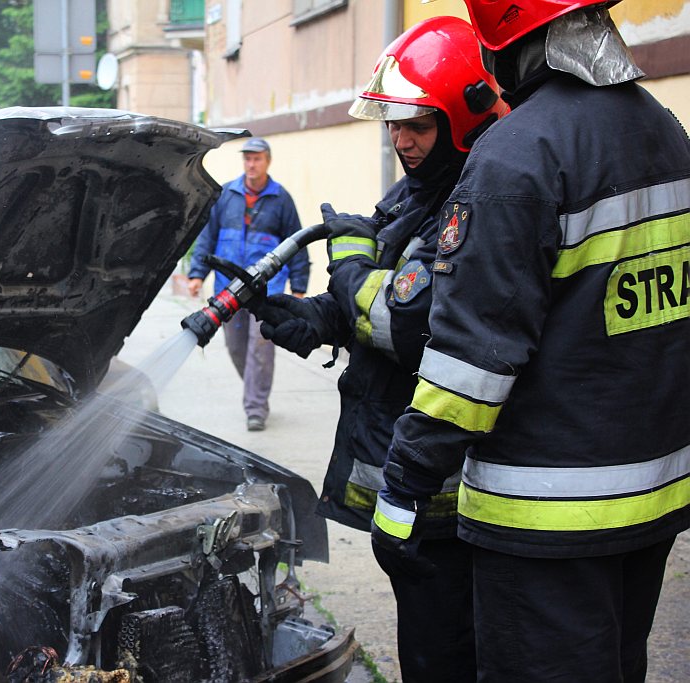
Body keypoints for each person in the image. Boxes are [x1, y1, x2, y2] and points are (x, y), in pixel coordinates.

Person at [368, 2, 690, 681]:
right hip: (652, 498)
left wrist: (402, 487)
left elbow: (470, 364)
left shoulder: (519, 155)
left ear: (506, 45)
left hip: (545, 520)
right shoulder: (662, 129)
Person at [254, 17, 508, 682]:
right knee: (424, 636)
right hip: (408, 481)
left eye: (417, 125)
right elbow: (370, 301)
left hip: (446, 495)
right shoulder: (414, 193)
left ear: (457, 120)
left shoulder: (469, 198)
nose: (401, 139)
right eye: (393, 124)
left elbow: (407, 320)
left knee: (444, 648)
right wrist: (309, 317)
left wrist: (344, 263)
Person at [186, 137, 309, 432]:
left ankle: (255, 407)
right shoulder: (226, 195)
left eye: (257, 159)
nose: (251, 164)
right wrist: (196, 274)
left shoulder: (281, 198)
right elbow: (207, 237)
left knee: (260, 348)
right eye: (247, 159)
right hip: (228, 289)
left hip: (266, 291)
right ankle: (255, 389)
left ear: (267, 161)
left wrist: (299, 283)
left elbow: (297, 241)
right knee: (236, 348)